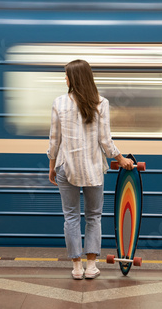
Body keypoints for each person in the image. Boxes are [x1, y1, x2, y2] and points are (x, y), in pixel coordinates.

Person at [47, 59, 133, 280]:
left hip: (66, 167)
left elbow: (54, 140)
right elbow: (105, 140)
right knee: (94, 216)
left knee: (71, 217)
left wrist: (52, 166)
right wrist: (120, 158)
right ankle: (91, 265)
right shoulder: (100, 103)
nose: (64, 78)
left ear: (73, 79)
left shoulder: (59, 103)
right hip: (93, 168)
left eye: (66, 75)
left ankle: (76, 267)